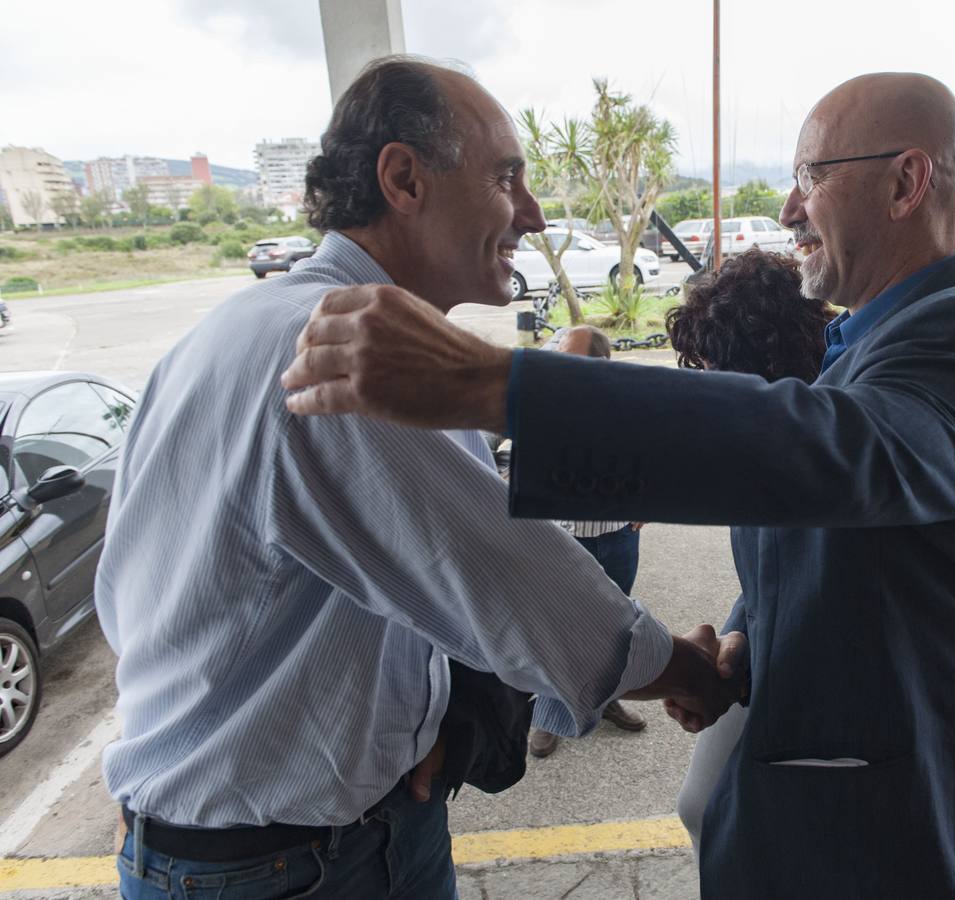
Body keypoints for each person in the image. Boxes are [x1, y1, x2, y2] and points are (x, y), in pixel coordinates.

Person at [282, 72, 955, 899]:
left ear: (907, 182)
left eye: (811, 177)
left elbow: (834, 455)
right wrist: (742, 638)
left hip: (910, 827)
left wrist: (504, 387)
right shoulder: (867, 344)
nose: (792, 210)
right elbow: (837, 534)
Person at [95, 56, 738, 899]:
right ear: (403, 178)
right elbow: (519, 586)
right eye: (508, 178)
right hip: (291, 867)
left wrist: (423, 711)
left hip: (281, 839)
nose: (535, 216)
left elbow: (149, 597)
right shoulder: (339, 352)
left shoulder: (235, 325)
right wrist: (691, 675)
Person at [663, 249, 834, 850]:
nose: (704, 384)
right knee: (700, 806)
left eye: (713, 367)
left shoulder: (821, 441)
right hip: (763, 647)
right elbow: (766, 576)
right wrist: (735, 644)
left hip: (825, 681)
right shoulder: (751, 441)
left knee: (744, 820)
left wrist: (735, 669)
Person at [529, 325, 647, 758]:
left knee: (616, 626)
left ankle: (607, 697)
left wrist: (647, 500)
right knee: (557, 627)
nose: (561, 360)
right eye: (559, 352)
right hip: (561, 540)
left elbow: (652, 454)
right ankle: (548, 712)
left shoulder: (627, 405)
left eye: (570, 354)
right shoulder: (546, 405)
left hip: (615, 539)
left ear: (599, 364)